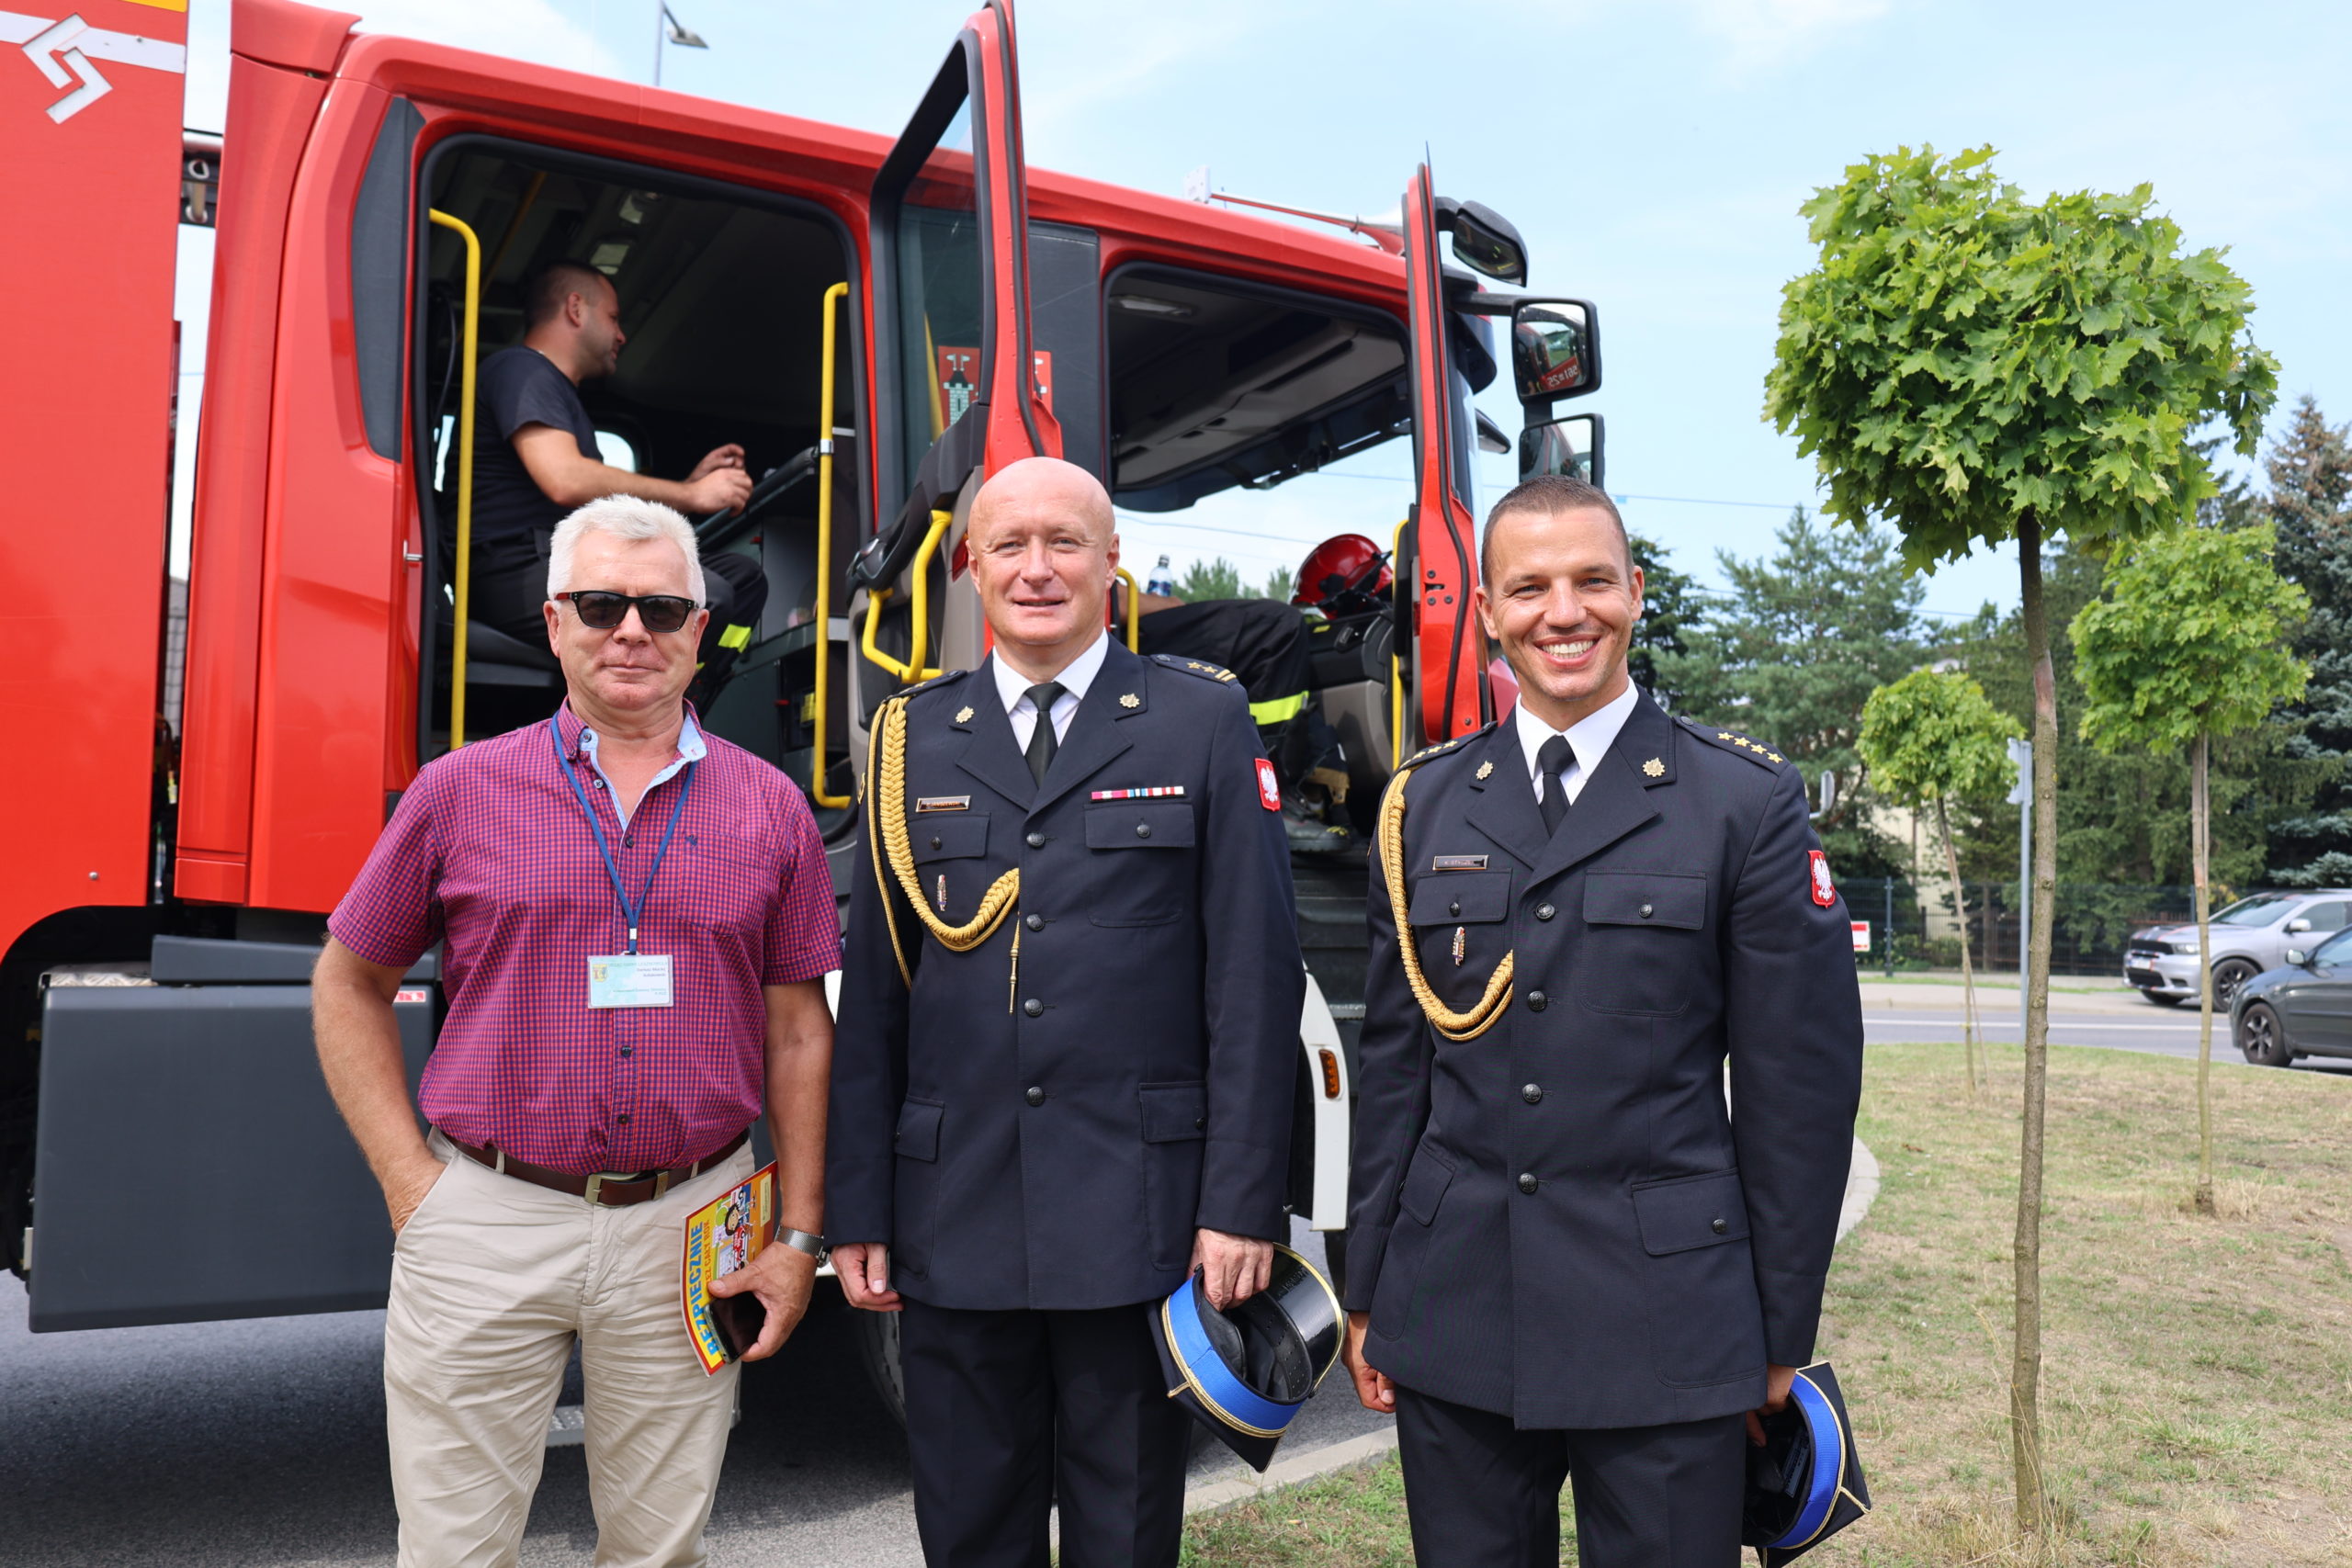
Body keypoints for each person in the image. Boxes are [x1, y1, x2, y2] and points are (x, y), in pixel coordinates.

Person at [1340, 474, 1865, 1568]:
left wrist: (1780, 1331)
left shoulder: (1740, 801)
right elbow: (1395, 1070)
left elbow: (1797, 1092)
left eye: (1590, 581)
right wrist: (1369, 1289)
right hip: (1457, 1308)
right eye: (1528, 588)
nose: (1562, 612)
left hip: (1667, 1316)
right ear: (1487, 611)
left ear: (1635, 591)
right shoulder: (1422, 801)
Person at [312, 495, 839, 1567]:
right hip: (486, 1217)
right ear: (555, 622)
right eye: (600, 604)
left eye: (659, 607)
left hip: (693, 1226)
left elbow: (799, 1032)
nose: (630, 630)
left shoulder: (772, 807)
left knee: (658, 1550)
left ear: (700, 629)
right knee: (455, 1551)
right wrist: (413, 1188)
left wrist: (795, 1239)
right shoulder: (458, 792)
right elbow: (349, 981)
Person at [828, 456, 1306, 1568]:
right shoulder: (909, 738)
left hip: (1137, 1217)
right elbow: (877, 997)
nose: (1037, 568)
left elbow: (1253, 981)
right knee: (968, 1528)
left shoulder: (1200, 722)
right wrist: (860, 1206)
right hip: (954, 1212)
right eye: (1010, 546)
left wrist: (1240, 1203)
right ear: (969, 568)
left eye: (1065, 544)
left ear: (1110, 565)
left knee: (1124, 1530)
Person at [459, 260, 766, 701]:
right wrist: (691, 494)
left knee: (740, 578)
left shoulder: (557, 390)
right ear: (576, 308)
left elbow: (590, 492)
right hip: (513, 569)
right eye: (614, 318)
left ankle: (688, 703)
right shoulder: (522, 370)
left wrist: (683, 489)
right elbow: (564, 478)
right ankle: (644, 731)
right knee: (704, 596)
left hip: (555, 558)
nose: (621, 335)